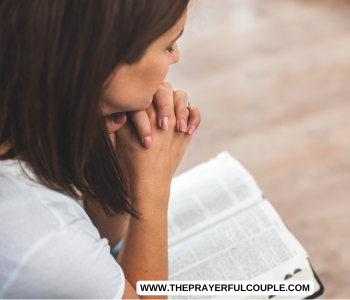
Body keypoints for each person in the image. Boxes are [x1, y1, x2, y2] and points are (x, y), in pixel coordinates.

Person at [0, 0, 200, 298]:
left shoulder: (30, 124)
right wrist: (153, 186)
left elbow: (99, 238)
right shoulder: (42, 237)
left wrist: (122, 159)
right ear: (104, 60)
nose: (176, 57)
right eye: (169, 43)